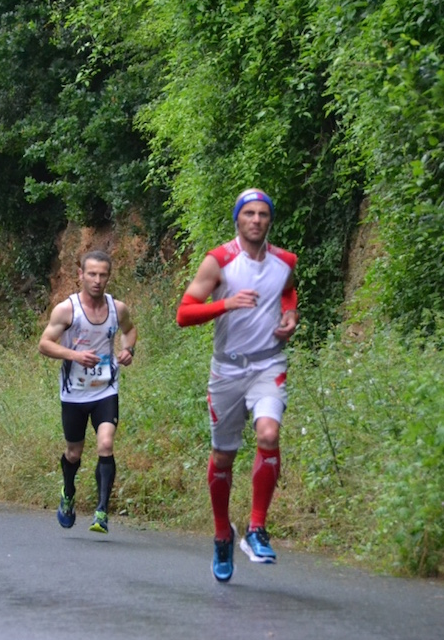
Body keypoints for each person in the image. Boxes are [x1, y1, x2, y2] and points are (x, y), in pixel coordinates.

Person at [175, 188, 299, 583]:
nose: (257, 220)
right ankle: (221, 534)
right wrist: (224, 304)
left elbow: (288, 291)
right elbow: (183, 313)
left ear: (270, 221)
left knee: (269, 433)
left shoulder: (285, 262)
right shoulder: (220, 261)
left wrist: (290, 315)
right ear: (238, 220)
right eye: (250, 214)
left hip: (268, 365)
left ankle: (256, 528)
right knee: (223, 457)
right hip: (227, 371)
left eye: (264, 214)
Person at [38, 250, 137, 534]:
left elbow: (130, 330)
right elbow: (44, 344)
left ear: (109, 276)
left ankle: (101, 511)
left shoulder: (118, 308)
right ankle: (68, 492)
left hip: (106, 388)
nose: (97, 280)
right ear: (80, 275)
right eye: (91, 274)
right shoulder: (66, 310)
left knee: (105, 444)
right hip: (74, 393)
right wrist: (74, 355)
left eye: (102, 274)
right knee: (74, 452)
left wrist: (128, 349)